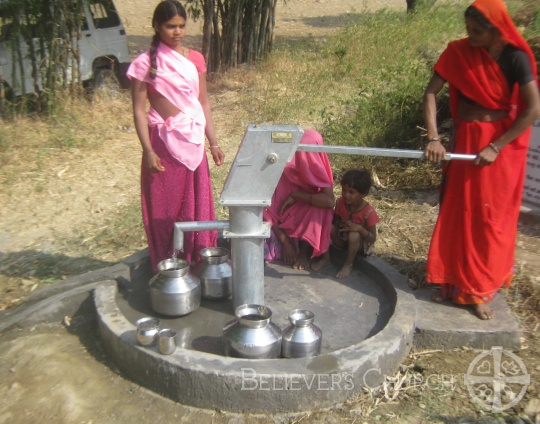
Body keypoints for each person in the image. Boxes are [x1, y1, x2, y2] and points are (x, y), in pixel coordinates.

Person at [423, 0, 540, 319]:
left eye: (477, 31)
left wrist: (498, 146)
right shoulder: (458, 51)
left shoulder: (516, 58)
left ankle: (478, 288)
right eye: (468, 30)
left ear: (495, 29)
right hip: (465, 140)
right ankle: (454, 281)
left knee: (490, 216)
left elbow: (532, 109)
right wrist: (434, 137)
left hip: (500, 148)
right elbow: (431, 92)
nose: (470, 36)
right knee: (460, 211)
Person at [127, 1, 225, 273]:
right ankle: (168, 268)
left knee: (196, 204)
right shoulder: (145, 63)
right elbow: (138, 110)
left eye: (182, 25)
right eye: (171, 26)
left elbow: (203, 103)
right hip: (163, 144)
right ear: (157, 27)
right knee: (165, 206)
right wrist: (148, 150)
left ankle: (199, 263)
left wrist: (213, 142)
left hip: (194, 143)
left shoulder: (195, 59)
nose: (177, 31)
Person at [263, 130, 335, 270]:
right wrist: (285, 242)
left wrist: (295, 196)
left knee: (321, 210)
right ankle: (291, 247)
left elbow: (329, 202)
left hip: (296, 220)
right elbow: (265, 210)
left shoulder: (316, 168)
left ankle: (304, 253)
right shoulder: (279, 167)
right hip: (276, 224)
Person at [313, 169, 380, 279]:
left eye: (351, 192)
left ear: (363, 193)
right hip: (341, 240)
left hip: (358, 245)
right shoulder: (340, 202)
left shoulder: (368, 212)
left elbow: (372, 239)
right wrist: (340, 223)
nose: (346, 195)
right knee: (327, 226)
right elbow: (334, 221)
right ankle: (326, 258)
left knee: (354, 234)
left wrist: (359, 228)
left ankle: (348, 264)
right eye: (344, 190)